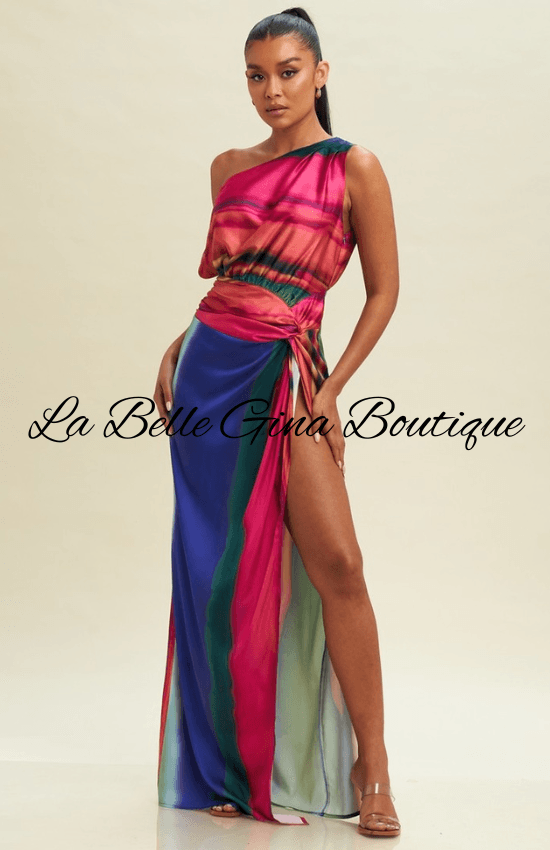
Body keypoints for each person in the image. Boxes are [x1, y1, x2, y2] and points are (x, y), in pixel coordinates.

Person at [153, 7, 400, 839]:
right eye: (256, 75)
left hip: (288, 375)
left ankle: (372, 765)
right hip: (208, 377)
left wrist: (331, 393)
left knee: (340, 563)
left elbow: (384, 291)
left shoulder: (353, 167)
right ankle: (230, 763)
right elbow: (232, 278)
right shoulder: (228, 167)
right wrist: (179, 343)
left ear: (321, 73)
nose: (272, 90)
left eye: (289, 71)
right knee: (218, 573)